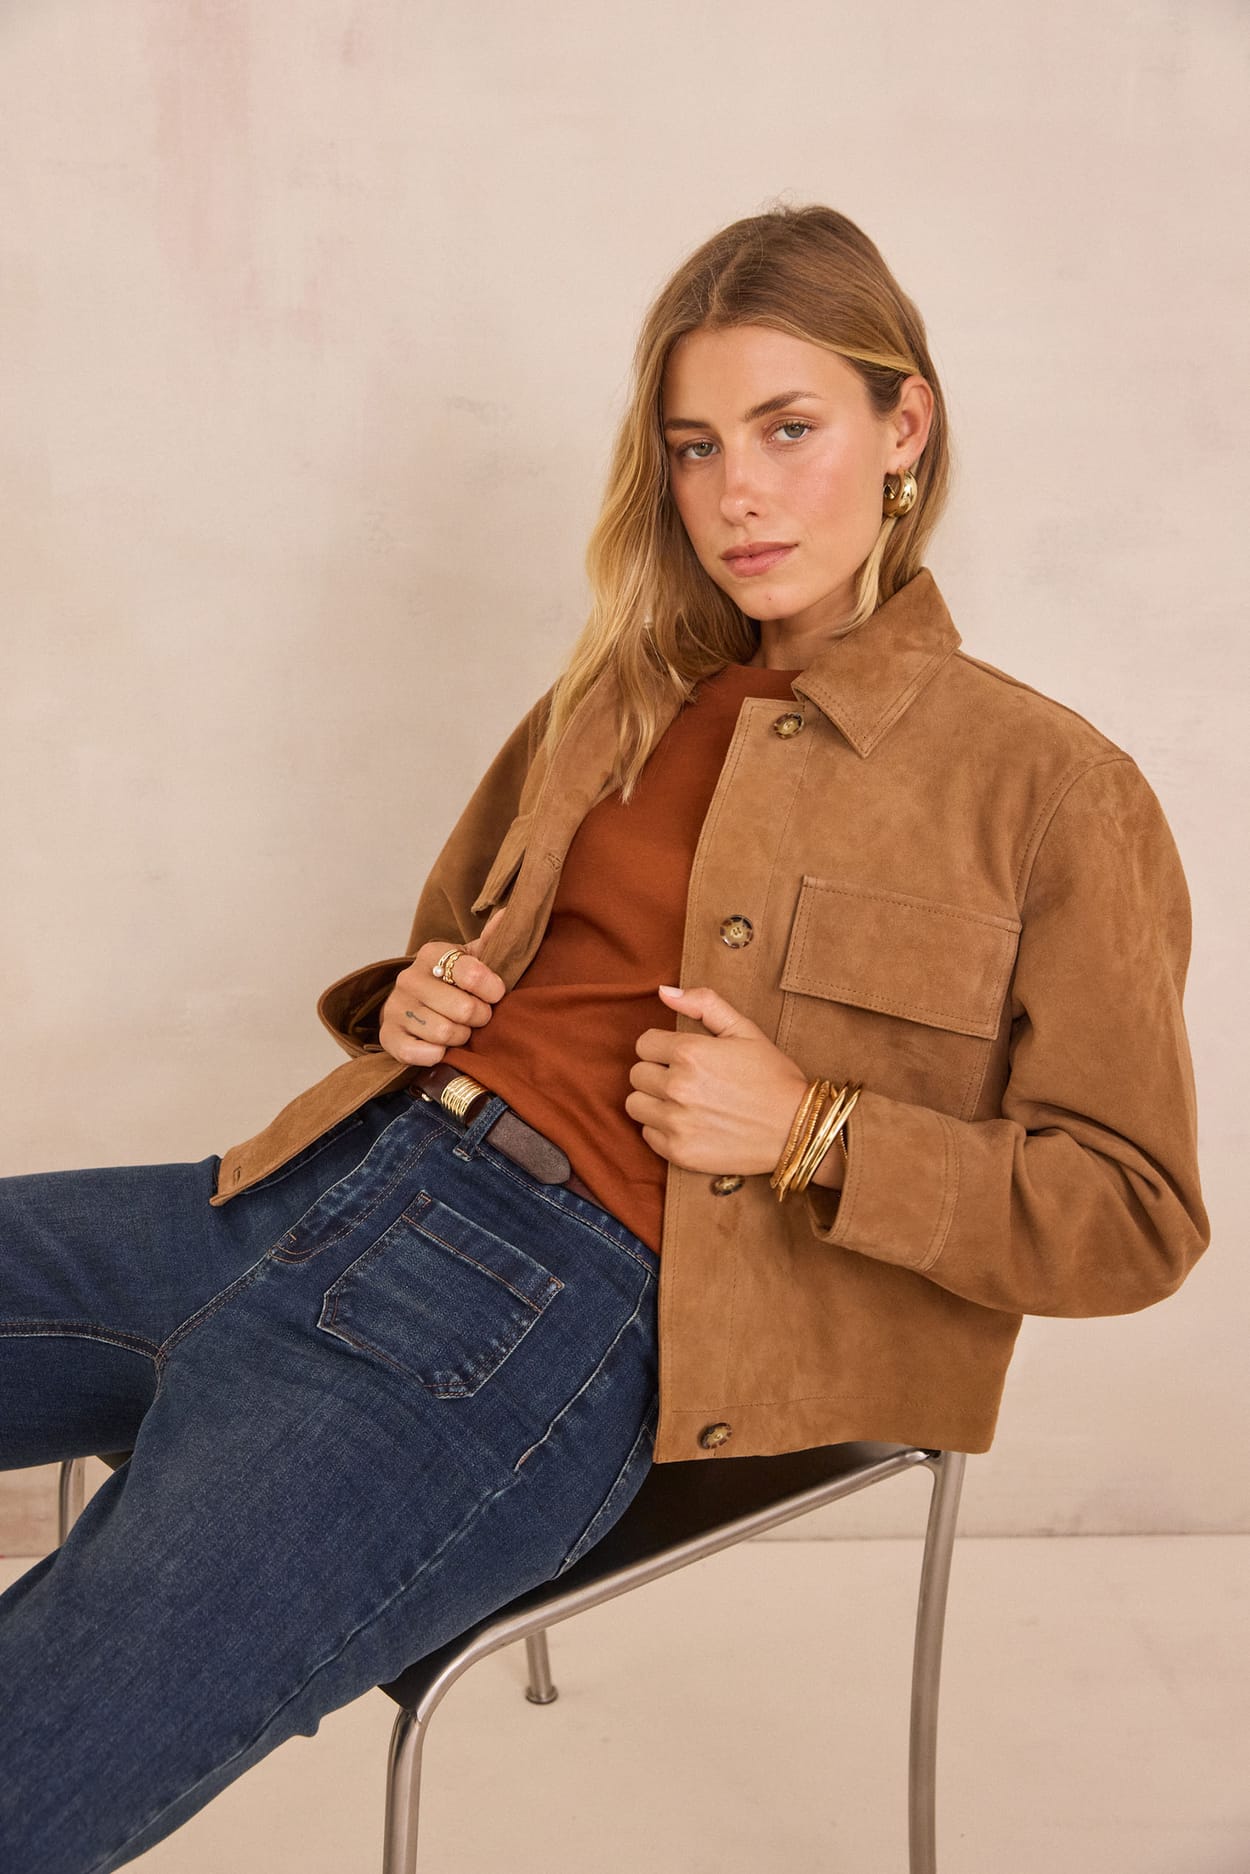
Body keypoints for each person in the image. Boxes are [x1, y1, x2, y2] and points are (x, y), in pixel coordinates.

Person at [0, 203, 1209, 1870]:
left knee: (42, 1731)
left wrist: (814, 1129)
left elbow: (1133, 1213)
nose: (735, 492)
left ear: (902, 427)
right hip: (316, 1182)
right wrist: (413, 996)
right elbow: (459, 946)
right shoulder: (617, 692)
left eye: (787, 429)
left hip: (536, 1316)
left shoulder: (1050, 789)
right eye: (694, 444)